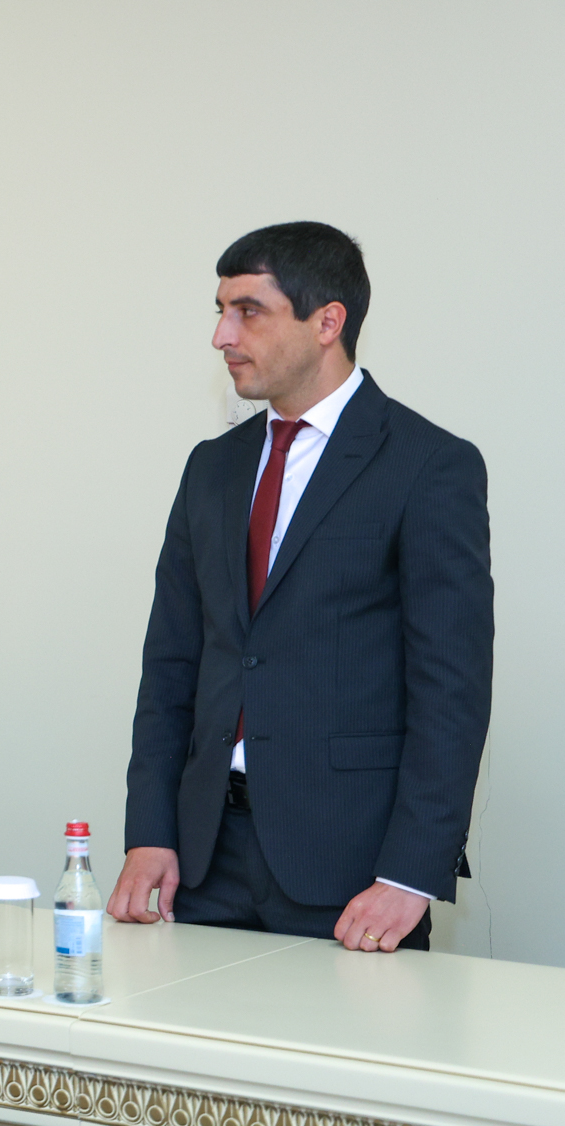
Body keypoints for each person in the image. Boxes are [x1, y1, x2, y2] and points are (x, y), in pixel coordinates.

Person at [112, 222, 493, 952]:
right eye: (221, 311)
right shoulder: (211, 468)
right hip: (202, 861)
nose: (222, 336)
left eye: (248, 311)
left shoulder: (428, 465)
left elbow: (452, 689)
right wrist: (150, 831)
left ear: (327, 322)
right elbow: (171, 667)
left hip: (353, 872)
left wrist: (411, 874)